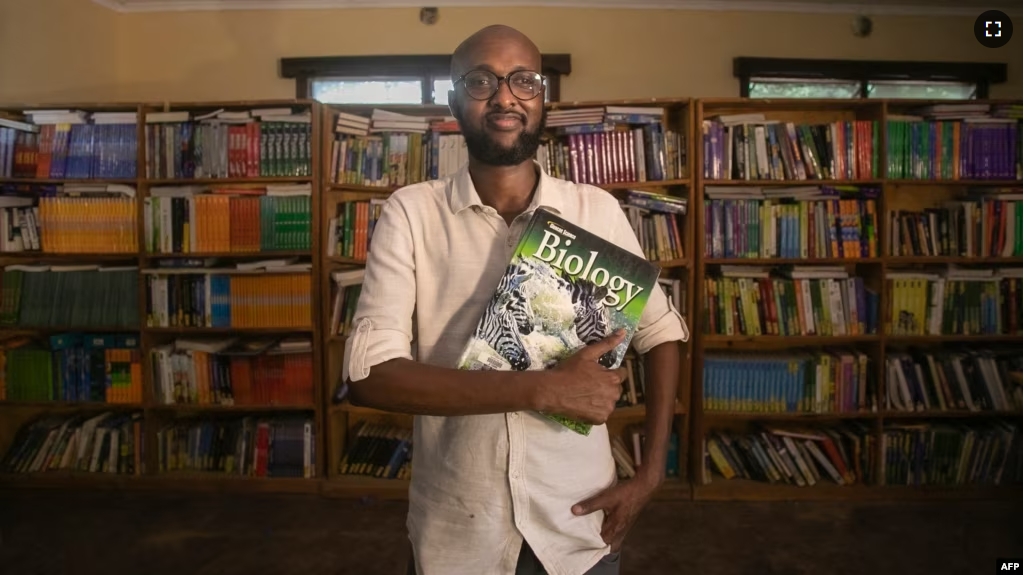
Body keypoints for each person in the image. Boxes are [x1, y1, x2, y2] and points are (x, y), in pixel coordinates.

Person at [341, 24, 689, 575]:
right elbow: (370, 376)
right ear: (452, 99)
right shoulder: (411, 212)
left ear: (542, 97)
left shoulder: (595, 210)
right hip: (458, 533)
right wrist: (544, 389)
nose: (505, 96)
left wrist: (650, 475)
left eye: (523, 80)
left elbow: (661, 331)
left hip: (579, 527)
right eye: (481, 80)